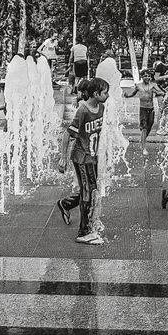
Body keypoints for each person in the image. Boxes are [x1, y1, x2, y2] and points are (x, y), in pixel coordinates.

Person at [56, 77, 107, 245]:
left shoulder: (101, 107)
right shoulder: (83, 110)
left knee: (91, 191)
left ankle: (66, 204)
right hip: (81, 157)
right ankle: (83, 232)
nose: (107, 95)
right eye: (105, 92)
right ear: (95, 94)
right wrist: (63, 158)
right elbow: (67, 134)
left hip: (92, 156)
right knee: (88, 193)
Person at [131, 73, 164, 145]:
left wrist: (158, 92)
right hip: (143, 109)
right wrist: (127, 95)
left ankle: (143, 139)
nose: (147, 77)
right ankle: (143, 146)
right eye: (145, 76)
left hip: (151, 109)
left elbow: (160, 92)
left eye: (148, 76)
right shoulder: (138, 86)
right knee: (144, 128)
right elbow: (133, 93)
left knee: (150, 125)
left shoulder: (153, 85)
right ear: (142, 77)